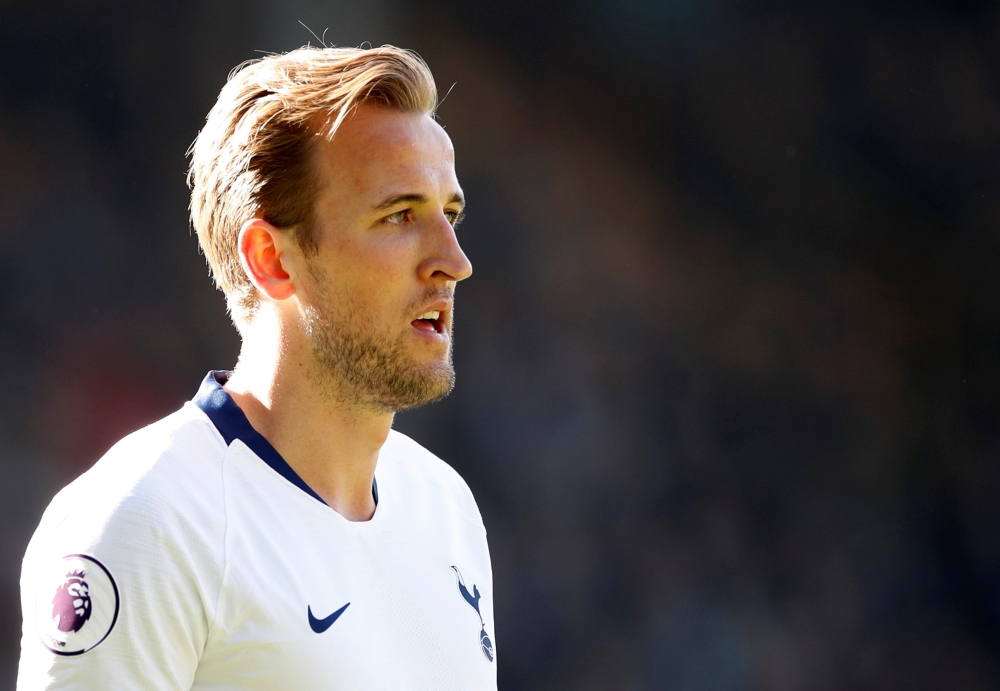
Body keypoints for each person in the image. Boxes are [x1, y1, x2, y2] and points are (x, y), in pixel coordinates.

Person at [17, 45, 496, 690]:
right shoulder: (148, 522)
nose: (454, 259)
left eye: (451, 214)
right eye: (399, 215)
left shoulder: (445, 508)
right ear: (271, 259)